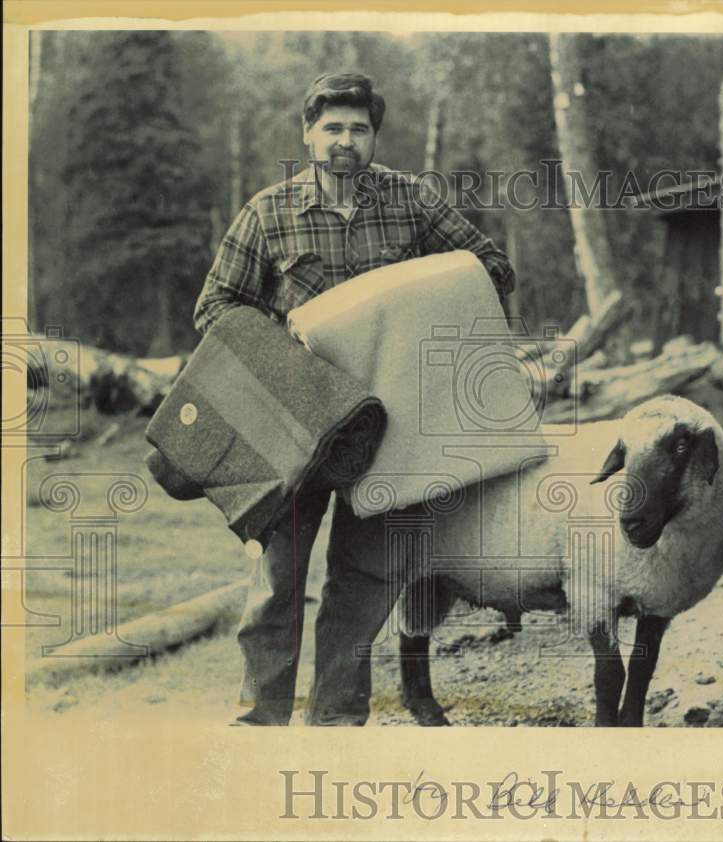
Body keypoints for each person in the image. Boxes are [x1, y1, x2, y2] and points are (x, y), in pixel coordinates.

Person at [193, 72, 515, 725]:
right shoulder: (267, 212)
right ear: (309, 134)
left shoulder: (412, 202)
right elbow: (214, 309)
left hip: (390, 423)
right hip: (294, 420)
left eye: (359, 129)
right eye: (333, 128)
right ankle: (262, 718)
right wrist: (281, 348)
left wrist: (425, 304)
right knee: (279, 577)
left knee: (366, 577)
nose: (346, 141)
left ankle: (337, 720)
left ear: (374, 136)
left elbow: (491, 268)